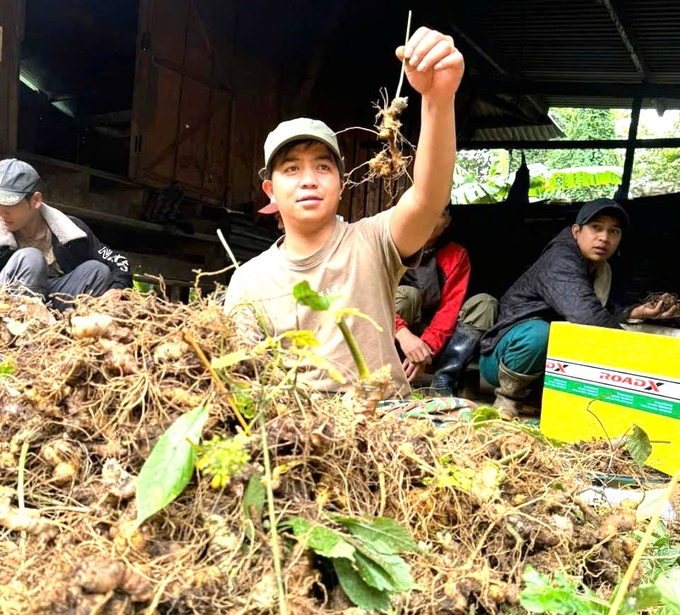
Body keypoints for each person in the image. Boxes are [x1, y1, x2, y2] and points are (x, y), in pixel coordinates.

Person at [224, 26, 465, 396]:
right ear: (271, 191)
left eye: (323, 167)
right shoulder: (250, 281)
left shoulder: (373, 242)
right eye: (292, 169)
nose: (309, 180)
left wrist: (438, 98)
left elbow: (428, 198)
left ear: (340, 185)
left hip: (388, 422)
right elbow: (241, 378)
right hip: (302, 431)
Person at [480, 198, 678, 419]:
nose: (604, 237)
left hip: (545, 361)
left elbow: (602, 312)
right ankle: (508, 399)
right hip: (501, 358)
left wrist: (632, 314)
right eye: (596, 228)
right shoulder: (560, 260)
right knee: (539, 332)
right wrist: (646, 357)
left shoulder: (602, 271)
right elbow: (588, 317)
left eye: (614, 232)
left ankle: (540, 396)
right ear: (576, 231)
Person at [0, 159, 132, 311]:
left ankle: (68, 328)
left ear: (36, 200)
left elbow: (119, 261)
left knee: (97, 271)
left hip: (52, 302)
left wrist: (117, 289)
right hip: (9, 306)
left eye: (9, 203)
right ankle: (25, 325)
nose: (2, 212)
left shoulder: (72, 230)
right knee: (30, 258)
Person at [394, 203, 498, 395]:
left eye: (440, 214)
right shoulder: (394, 247)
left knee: (485, 304)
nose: (431, 219)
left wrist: (426, 348)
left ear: (448, 221)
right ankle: (391, 369)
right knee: (407, 294)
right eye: (426, 210)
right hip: (399, 336)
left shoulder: (456, 255)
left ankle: (444, 379)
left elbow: (449, 310)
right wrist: (402, 332)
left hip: (439, 337)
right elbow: (374, 298)